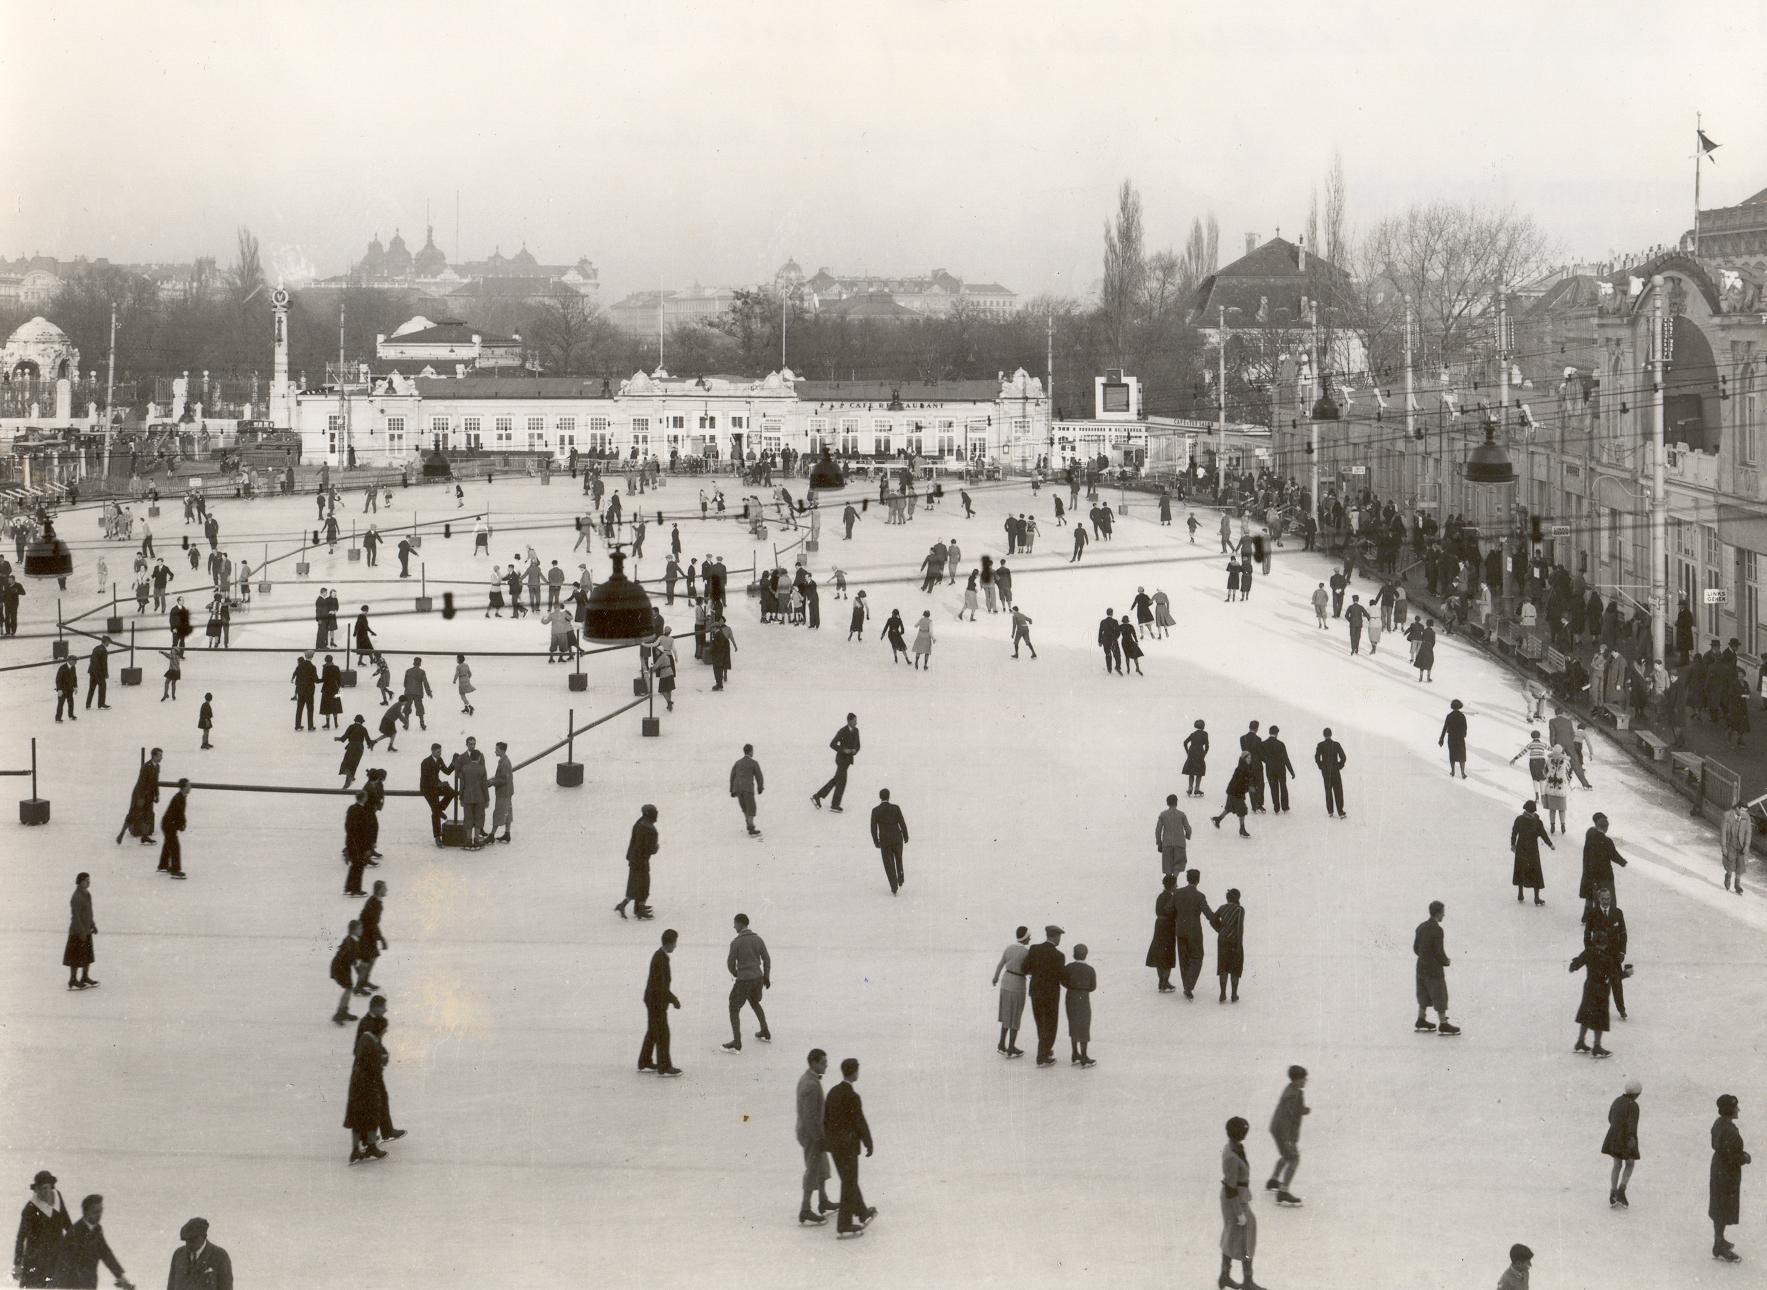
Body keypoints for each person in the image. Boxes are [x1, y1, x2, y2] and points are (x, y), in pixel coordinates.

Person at [823, 1058, 875, 1237]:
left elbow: (826, 1119)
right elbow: (859, 1121)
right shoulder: (852, 1096)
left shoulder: (833, 1092)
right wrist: (868, 1142)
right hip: (849, 1147)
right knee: (849, 1181)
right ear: (854, 1072)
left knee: (848, 1179)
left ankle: (862, 1212)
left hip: (835, 1147)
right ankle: (844, 1224)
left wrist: (827, 1142)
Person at [53, 1193, 134, 1289]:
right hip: (73, 1284)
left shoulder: (97, 1229)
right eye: (95, 1212)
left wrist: (120, 1277)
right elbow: (64, 1264)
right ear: (86, 1212)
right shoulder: (74, 1233)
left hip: (89, 1282)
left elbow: (106, 1253)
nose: (99, 1215)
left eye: (101, 1211)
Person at [1219, 1117, 1262, 1290]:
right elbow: (1231, 1188)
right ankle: (1247, 1281)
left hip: (1237, 1197)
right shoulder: (1231, 1155)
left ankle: (1225, 1277)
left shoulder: (1234, 1147)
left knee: (1232, 1236)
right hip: (1234, 1200)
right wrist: (1239, 1213)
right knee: (1246, 1237)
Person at [720, 913, 772, 1052]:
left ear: (741, 924)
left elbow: (730, 963)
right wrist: (766, 976)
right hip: (758, 978)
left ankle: (737, 1041)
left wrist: (736, 973)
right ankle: (764, 1031)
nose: (733, 926)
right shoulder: (758, 939)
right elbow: (767, 959)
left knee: (733, 1008)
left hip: (744, 980)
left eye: (735, 923)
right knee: (755, 1002)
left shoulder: (736, 942)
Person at [795, 1050, 836, 1225]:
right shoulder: (811, 1085)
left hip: (814, 1132)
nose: (826, 1064)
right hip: (812, 1134)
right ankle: (805, 1209)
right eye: (823, 1062)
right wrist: (818, 1138)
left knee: (822, 1166)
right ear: (813, 1063)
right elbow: (810, 1115)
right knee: (813, 1169)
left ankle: (823, 1200)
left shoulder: (808, 1079)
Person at [1709, 1093, 1750, 1262]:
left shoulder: (1719, 1123)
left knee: (1720, 1206)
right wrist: (1745, 1158)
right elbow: (1731, 1156)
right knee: (1723, 1207)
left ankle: (1719, 1239)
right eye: (1735, 1106)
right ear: (1729, 1109)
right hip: (1726, 1174)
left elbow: (1716, 1146)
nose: (1738, 1109)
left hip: (1719, 1169)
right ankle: (1718, 1245)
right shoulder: (1729, 1129)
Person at [14, 1169, 71, 1288]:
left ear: (51, 1187)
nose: (43, 1192)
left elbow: (66, 1221)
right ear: (35, 1190)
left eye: (45, 1188)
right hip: (36, 1260)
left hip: (56, 1256)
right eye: (39, 1189)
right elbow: (21, 1237)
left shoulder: (58, 1197)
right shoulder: (30, 1209)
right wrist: (17, 1264)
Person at [1569, 928, 1619, 1057]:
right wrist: (1626, 973)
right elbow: (1614, 975)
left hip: (1589, 987)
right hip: (1601, 989)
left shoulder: (1588, 952)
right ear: (1605, 944)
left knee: (1586, 1014)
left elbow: (1576, 965)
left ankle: (1580, 1041)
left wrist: (1573, 965)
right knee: (1600, 1018)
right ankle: (1597, 1046)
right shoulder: (1607, 958)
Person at [639, 929, 682, 1076]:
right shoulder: (660, 959)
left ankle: (644, 1061)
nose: (676, 946)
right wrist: (673, 999)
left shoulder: (660, 956)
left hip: (653, 999)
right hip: (656, 1001)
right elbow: (660, 986)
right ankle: (664, 1066)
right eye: (675, 943)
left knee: (653, 1031)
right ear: (669, 943)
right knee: (663, 1033)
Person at [1022, 925, 1067, 1066]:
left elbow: (1025, 968)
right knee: (1051, 1025)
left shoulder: (1034, 949)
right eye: (1059, 936)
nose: (1060, 939)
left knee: (1040, 1023)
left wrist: (1035, 974)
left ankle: (1045, 1050)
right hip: (1051, 995)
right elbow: (1062, 977)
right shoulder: (1059, 956)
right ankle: (1042, 1056)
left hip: (1035, 992)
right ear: (1055, 936)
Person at [1266, 1065, 1309, 1207]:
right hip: (1283, 1131)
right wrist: (1287, 1140)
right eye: (1303, 1078)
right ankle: (1283, 1191)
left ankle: (1274, 1180)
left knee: (1286, 1156)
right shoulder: (1292, 1095)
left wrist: (1303, 1110)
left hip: (1279, 1129)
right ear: (1296, 1080)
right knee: (1294, 1158)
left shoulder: (1294, 1090)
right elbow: (1285, 1118)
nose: (1306, 1081)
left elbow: (1294, 1110)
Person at [1413, 900, 1458, 1035]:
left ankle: (1421, 1019)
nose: (1444, 915)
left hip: (1421, 967)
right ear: (1438, 913)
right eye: (1443, 913)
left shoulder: (1421, 926)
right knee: (1440, 995)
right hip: (1433, 970)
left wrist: (1423, 957)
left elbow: (1416, 948)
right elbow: (1439, 951)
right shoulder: (1437, 930)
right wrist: (1445, 961)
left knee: (1423, 994)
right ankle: (1443, 1024)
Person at [1172, 869, 1218, 999]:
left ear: (1187, 879)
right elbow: (1209, 915)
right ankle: (1189, 985)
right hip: (1195, 932)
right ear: (1198, 880)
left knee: (1183, 959)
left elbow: (1169, 908)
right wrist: (1220, 928)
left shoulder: (1177, 893)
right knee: (1197, 958)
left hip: (1180, 930)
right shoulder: (1200, 896)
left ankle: (1186, 984)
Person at [616, 804, 660, 920]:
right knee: (644, 884)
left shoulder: (639, 823)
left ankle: (633, 907)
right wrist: (656, 848)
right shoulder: (651, 830)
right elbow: (651, 849)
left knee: (635, 884)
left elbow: (634, 842)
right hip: (641, 861)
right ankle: (637, 908)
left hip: (634, 859)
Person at [991, 926, 1031, 1056]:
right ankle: (1011, 1047)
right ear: (1025, 938)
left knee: (1006, 1014)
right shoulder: (1026, 952)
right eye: (1029, 936)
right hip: (1018, 984)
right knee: (1015, 1015)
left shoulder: (1009, 948)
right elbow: (1028, 970)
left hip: (1006, 981)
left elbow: (1000, 964)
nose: (1030, 938)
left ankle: (1001, 1044)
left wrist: (996, 977)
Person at [1602, 1079, 1642, 1209]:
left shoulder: (1617, 1100)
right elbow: (1632, 1124)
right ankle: (1621, 1191)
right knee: (1630, 1163)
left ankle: (1612, 1192)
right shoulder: (1634, 1106)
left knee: (1617, 1164)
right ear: (1636, 1094)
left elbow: (1609, 1118)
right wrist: (1631, 1138)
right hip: (1626, 1138)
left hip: (1614, 1136)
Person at [163, 1218, 230, 1290]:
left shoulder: (220, 1256)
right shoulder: (178, 1254)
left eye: (193, 1240)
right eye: (187, 1241)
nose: (188, 1245)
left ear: (203, 1236)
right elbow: (171, 1286)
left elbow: (226, 1287)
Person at [1579, 813, 1628, 913]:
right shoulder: (1607, 841)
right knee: (1606, 896)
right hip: (1604, 875)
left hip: (1589, 870)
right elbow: (1613, 855)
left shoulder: (1590, 833)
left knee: (1590, 894)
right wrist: (1623, 862)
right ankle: (1606, 917)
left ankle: (1586, 916)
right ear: (1606, 828)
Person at [812, 714, 860, 811]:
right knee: (842, 781)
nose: (856, 722)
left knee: (837, 779)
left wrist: (855, 750)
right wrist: (843, 750)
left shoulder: (856, 730)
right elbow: (832, 744)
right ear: (849, 721)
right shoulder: (842, 731)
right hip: (841, 759)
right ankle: (834, 804)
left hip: (848, 760)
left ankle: (817, 796)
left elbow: (858, 745)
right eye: (855, 720)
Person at [1508, 800, 1551, 905]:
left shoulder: (1519, 819)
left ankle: (1520, 894)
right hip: (1532, 850)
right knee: (1535, 872)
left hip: (1521, 849)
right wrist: (1550, 844)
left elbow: (1514, 833)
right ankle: (1536, 898)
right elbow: (1543, 834)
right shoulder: (1536, 821)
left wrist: (1513, 845)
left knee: (1520, 870)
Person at [1062, 945, 1096, 1066]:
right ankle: (1084, 1056)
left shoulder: (1068, 967)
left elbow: (1063, 981)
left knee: (1073, 1023)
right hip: (1083, 998)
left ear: (1073, 954)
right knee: (1084, 1025)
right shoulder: (1090, 970)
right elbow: (1093, 987)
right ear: (1086, 954)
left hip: (1070, 996)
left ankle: (1075, 1053)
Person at [64, 874, 98, 991]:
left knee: (87, 955)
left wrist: (92, 925)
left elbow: (88, 913)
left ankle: (84, 977)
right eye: (86, 881)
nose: (88, 883)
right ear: (79, 882)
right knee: (75, 957)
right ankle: (73, 979)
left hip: (86, 930)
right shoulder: (77, 897)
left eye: (89, 880)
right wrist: (81, 932)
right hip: (77, 932)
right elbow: (76, 917)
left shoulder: (87, 894)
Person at [1145, 874, 1179, 993]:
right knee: (1168, 953)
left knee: (1160, 952)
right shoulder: (1172, 897)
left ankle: (1161, 981)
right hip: (1169, 926)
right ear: (1173, 885)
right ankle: (1165, 982)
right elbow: (1174, 912)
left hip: (1159, 925)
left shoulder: (1160, 896)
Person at [1212, 752, 1256, 838]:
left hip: (1232, 792)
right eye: (1248, 758)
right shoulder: (1242, 769)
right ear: (1244, 759)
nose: (1250, 759)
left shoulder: (1244, 767)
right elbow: (1239, 784)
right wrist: (1249, 789)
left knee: (1229, 808)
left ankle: (1217, 819)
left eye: (1250, 758)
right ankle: (1242, 830)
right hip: (1236, 793)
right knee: (1243, 810)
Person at [419, 743, 456, 846]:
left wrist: (453, 763)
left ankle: (440, 809)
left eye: (440, 751)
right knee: (435, 812)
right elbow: (427, 780)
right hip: (427, 788)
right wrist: (440, 784)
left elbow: (447, 771)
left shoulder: (439, 760)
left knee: (451, 792)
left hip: (436, 785)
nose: (440, 753)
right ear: (432, 751)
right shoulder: (425, 762)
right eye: (438, 752)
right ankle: (437, 837)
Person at [1216, 888, 1245, 1003]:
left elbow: (1213, 918)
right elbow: (1239, 928)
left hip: (1222, 941)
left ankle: (1222, 993)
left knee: (1223, 966)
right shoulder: (1239, 910)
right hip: (1234, 941)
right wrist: (1239, 944)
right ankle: (1234, 994)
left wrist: (1220, 929)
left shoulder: (1222, 908)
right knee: (1235, 968)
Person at [156, 779, 190, 879]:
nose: (190, 787)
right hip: (169, 825)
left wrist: (181, 824)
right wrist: (182, 824)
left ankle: (163, 865)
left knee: (168, 843)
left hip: (169, 824)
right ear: (184, 787)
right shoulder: (178, 798)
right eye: (188, 785)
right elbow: (179, 813)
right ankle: (175, 870)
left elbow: (180, 814)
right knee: (175, 846)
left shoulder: (181, 797)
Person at [730, 744, 764, 837]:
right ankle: (751, 828)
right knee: (751, 808)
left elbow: (732, 776)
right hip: (747, 789)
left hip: (738, 789)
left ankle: (749, 825)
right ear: (750, 751)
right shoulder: (753, 763)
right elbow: (759, 776)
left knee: (744, 807)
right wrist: (760, 787)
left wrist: (732, 790)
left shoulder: (737, 763)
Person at [1261, 726, 1294, 814]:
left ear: (1269, 732)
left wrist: (1267, 761)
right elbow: (1286, 759)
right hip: (1281, 769)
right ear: (1277, 733)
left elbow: (1261, 756)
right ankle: (1285, 807)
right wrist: (1292, 772)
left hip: (1270, 769)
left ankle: (1276, 808)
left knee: (1273, 788)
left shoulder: (1263, 744)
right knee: (1283, 787)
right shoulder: (1281, 744)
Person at [1315, 728, 1347, 818]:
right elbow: (1343, 757)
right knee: (1338, 791)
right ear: (1331, 734)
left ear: (1323, 735)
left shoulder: (1320, 745)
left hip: (1325, 772)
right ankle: (1340, 812)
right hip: (1335, 771)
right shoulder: (1336, 744)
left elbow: (1317, 757)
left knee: (1328, 791)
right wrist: (1339, 766)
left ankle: (1330, 812)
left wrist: (1321, 766)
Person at [1156, 793, 1191, 876]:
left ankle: (1169, 884)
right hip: (1180, 844)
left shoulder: (1163, 815)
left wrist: (1159, 842)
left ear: (1167, 803)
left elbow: (1158, 830)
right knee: (1179, 864)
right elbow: (1188, 829)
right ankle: (1174, 880)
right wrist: (1187, 836)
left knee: (1167, 866)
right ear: (1176, 802)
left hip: (1167, 844)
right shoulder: (1182, 815)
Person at [1720, 800, 1750, 895]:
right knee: (1730, 863)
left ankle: (1737, 885)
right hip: (1730, 843)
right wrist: (1724, 846)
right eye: (1742, 811)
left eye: (1745, 811)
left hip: (1740, 845)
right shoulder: (1727, 815)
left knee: (1740, 865)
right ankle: (1728, 878)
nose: (1744, 813)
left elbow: (1748, 832)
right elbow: (1723, 831)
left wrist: (1746, 846)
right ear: (1737, 808)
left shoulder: (1746, 816)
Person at [490, 741, 514, 843]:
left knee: (498, 813)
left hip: (503, 793)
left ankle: (491, 835)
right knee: (507, 813)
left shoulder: (504, 763)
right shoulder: (504, 761)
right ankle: (507, 834)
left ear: (502, 750)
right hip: (507, 792)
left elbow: (504, 779)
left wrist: (492, 782)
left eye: (497, 750)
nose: (495, 751)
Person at [1439, 700, 1469, 777]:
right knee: (1462, 755)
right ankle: (1462, 773)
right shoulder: (1462, 716)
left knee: (1452, 755)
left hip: (1451, 738)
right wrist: (1463, 735)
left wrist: (1441, 739)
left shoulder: (1449, 716)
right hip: (1460, 738)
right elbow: (1465, 727)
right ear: (1459, 706)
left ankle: (1453, 771)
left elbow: (1445, 728)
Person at [1182, 720, 1209, 797]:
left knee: (1191, 771)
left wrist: (1188, 752)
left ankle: (1190, 788)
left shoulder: (1193, 734)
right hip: (1200, 753)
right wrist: (1204, 753)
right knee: (1199, 772)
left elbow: (1185, 742)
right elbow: (1207, 746)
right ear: (1203, 726)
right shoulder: (1205, 734)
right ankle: (1197, 788)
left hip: (1191, 753)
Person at [53, 658, 77, 723]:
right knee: (60, 704)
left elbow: (74, 678)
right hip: (62, 690)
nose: (76, 662)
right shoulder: (62, 668)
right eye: (74, 661)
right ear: (70, 661)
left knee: (71, 703)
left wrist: (75, 687)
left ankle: (71, 715)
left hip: (69, 689)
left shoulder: (73, 667)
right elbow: (58, 679)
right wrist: (59, 689)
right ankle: (58, 718)